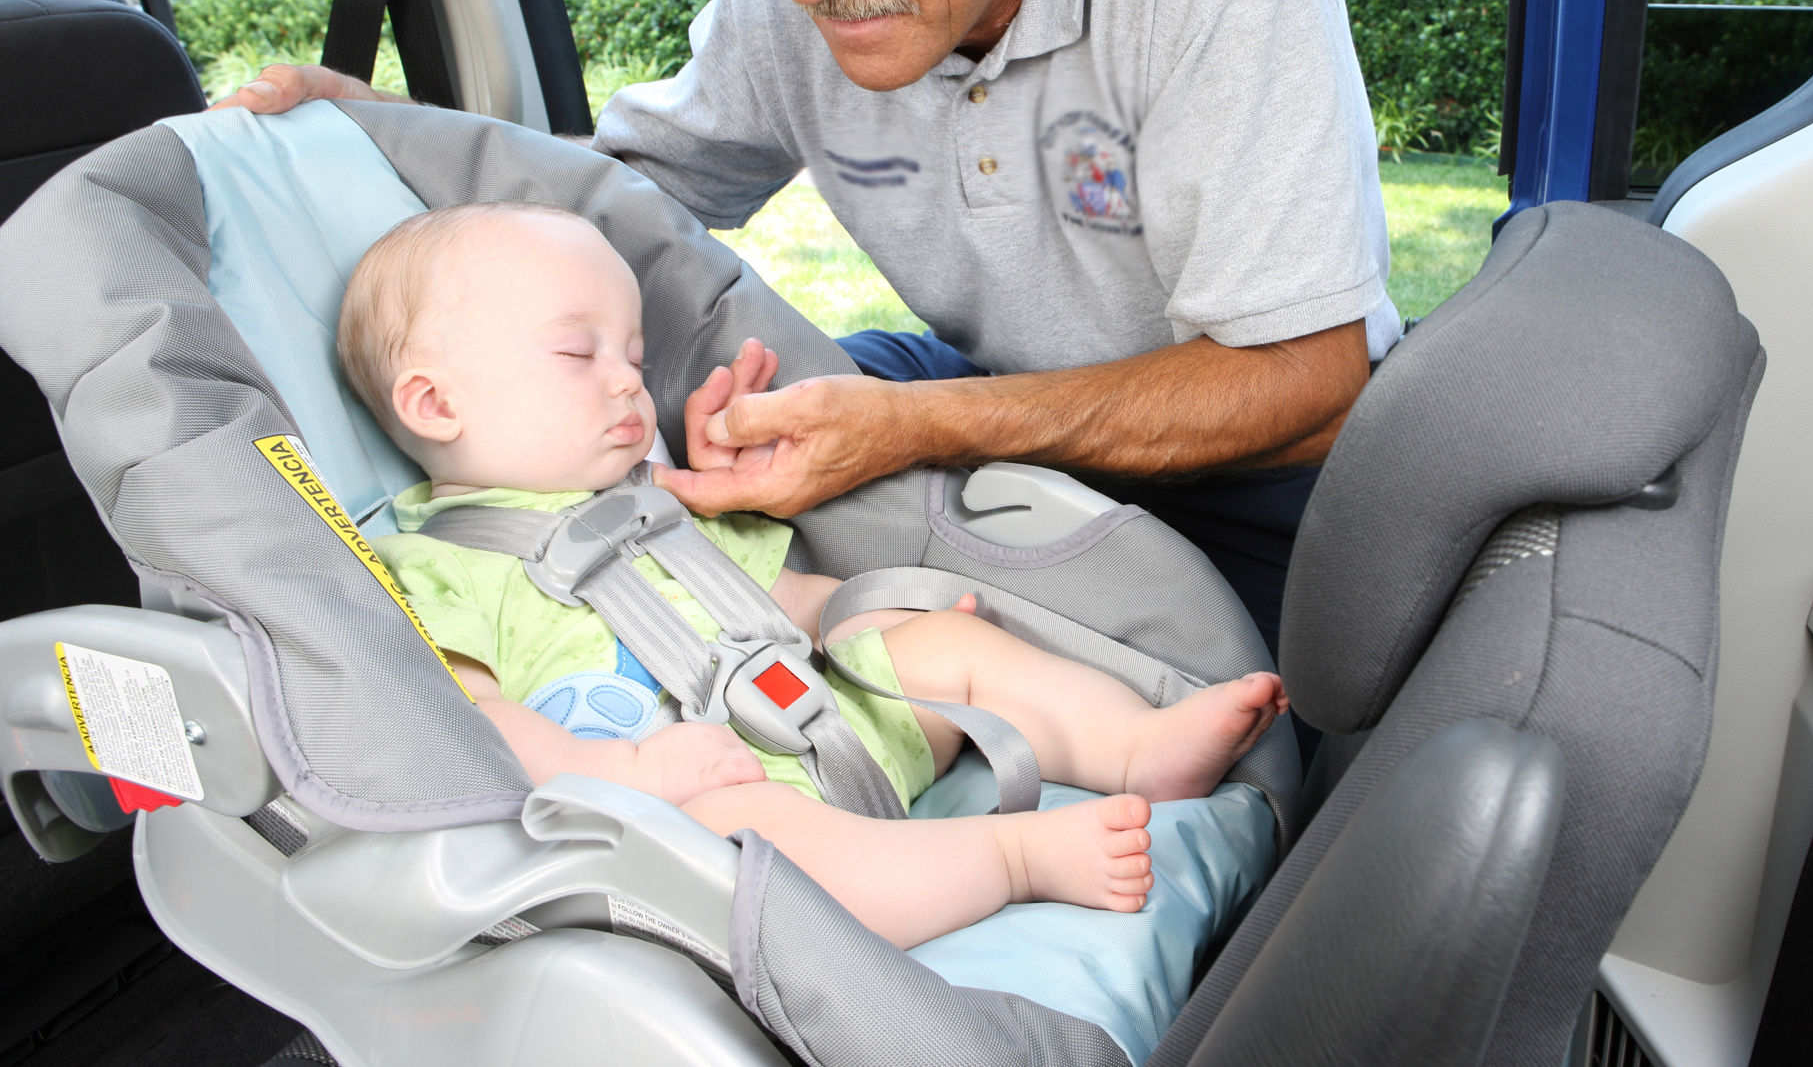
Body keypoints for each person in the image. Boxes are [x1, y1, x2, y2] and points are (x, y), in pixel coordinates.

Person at [214, 0, 1400, 660]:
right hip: (987, 388)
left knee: (1234, 724)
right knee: (720, 411)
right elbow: (620, 195)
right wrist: (389, 136)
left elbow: (1308, 381)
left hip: (1269, 476)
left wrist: (918, 426)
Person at [344, 201, 1288, 949]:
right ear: (435, 402)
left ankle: (1133, 749)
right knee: (740, 838)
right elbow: (470, 724)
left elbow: (770, 602)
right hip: (703, 798)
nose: (631, 382)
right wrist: (624, 773)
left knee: (942, 642)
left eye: (632, 354)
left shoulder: (652, 500)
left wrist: (866, 619)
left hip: (825, 719)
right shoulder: (429, 568)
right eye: (575, 354)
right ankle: (1009, 857)